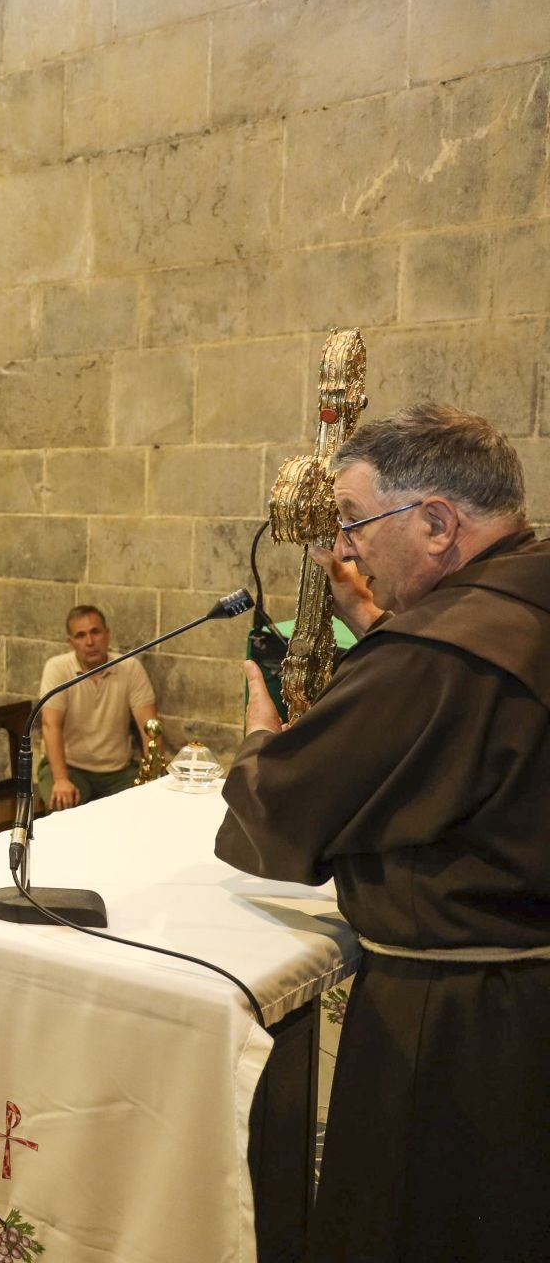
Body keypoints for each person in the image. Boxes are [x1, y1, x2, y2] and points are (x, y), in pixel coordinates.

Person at [215, 403, 550, 1259]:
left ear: (437, 523)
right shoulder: (521, 594)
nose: (350, 548)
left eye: (358, 521)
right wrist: (372, 624)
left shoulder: (438, 653)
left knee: (408, 1223)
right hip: (523, 1003)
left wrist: (259, 737)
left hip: (449, 1028)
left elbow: (279, 810)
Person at [37, 605, 157, 813]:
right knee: (62, 810)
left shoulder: (129, 668)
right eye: (81, 635)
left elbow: (150, 726)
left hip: (118, 772)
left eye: (95, 632)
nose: (90, 642)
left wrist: (154, 776)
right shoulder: (57, 668)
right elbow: (50, 726)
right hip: (71, 768)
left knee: (144, 810)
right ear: (71, 642)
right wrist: (61, 779)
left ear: (107, 634)